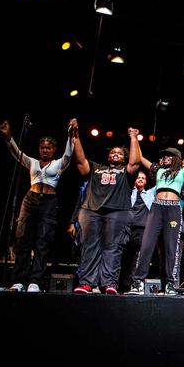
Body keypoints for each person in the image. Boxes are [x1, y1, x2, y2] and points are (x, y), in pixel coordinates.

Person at [0, 120, 73, 292]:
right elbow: (16, 153)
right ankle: (19, 280)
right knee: (23, 240)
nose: (45, 150)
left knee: (42, 241)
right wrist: (8, 137)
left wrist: (71, 134)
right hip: (30, 200)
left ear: (54, 149)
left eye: (48, 148)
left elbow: (69, 154)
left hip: (48, 202)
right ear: (39, 149)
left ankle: (35, 281)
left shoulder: (58, 164)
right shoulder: (32, 162)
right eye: (42, 147)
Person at [127, 135, 184, 295]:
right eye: (164, 155)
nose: (165, 158)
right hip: (156, 208)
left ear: (176, 158)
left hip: (173, 209)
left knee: (171, 248)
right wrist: (134, 138)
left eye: (169, 155)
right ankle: (138, 283)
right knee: (147, 245)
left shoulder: (183, 171)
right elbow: (140, 158)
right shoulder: (158, 170)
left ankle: (169, 284)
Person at [70, 119, 140, 294]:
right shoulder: (96, 167)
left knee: (113, 247)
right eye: (113, 152)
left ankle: (109, 283)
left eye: (119, 153)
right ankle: (87, 283)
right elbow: (80, 162)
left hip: (118, 211)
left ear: (123, 158)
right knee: (89, 246)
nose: (116, 154)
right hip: (91, 210)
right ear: (108, 156)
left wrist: (134, 137)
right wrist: (76, 137)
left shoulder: (126, 171)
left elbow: (135, 163)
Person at [119, 171, 156, 292]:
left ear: (146, 181)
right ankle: (120, 284)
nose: (140, 179)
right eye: (138, 177)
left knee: (138, 258)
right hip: (127, 228)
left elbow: (160, 185)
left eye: (143, 178)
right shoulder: (128, 192)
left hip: (143, 230)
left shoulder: (150, 193)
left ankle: (134, 284)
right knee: (124, 257)